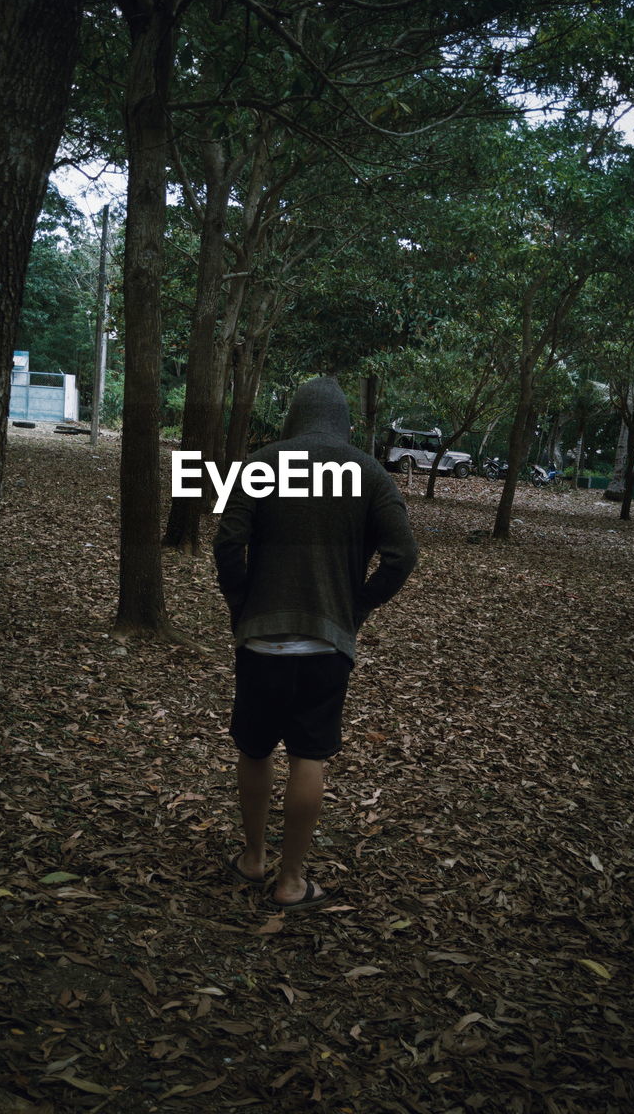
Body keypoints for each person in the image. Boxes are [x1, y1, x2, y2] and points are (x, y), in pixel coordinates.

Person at [213, 376, 418, 910]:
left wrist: (243, 605)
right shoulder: (369, 474)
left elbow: (228, 540)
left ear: (294, 418)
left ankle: (254, 857)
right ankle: (291, 881)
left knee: (254, 749)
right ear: (344, 422)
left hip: (261, 640)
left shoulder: (261, 464)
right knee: (310, 756)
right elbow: (402, 555)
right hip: (327, 646)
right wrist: (355, 610)